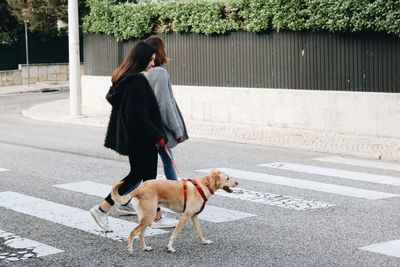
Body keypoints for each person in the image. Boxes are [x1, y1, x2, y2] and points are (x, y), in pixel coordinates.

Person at [89, 41, 170, 232]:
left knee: (146, 177)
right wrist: (157, 135)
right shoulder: (137, 82)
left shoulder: (126, 78)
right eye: (150, 60)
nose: (152, 64)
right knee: (143, 177)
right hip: (142, 139)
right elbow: (137, 116)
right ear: (142, 60)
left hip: (135, 138)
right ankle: (102, 208)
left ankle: (155, 216)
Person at [144, 36, 189, 181]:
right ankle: (121, 197)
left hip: (147, 125)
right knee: (165, 162)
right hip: (158, 128)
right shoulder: (159, 73)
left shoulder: (144, 71)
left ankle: (174, 194)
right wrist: (176, 130)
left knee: (149, 165)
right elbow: (163, 105)